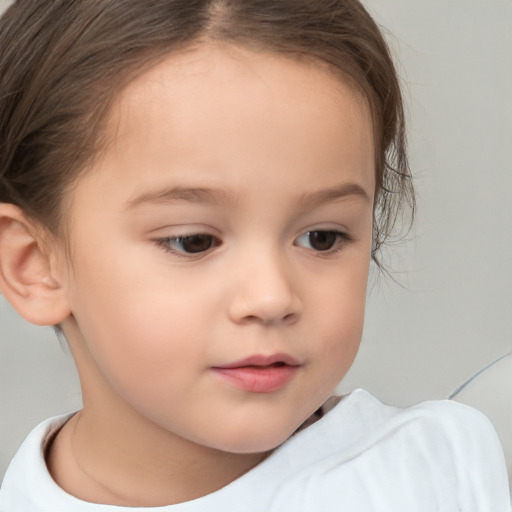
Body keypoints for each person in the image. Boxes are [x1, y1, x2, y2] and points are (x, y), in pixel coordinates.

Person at [0, 0, 509, 510]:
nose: (271, 297)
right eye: (193, 241)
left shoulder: (445, 475)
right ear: (35, 265)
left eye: (322, 237)